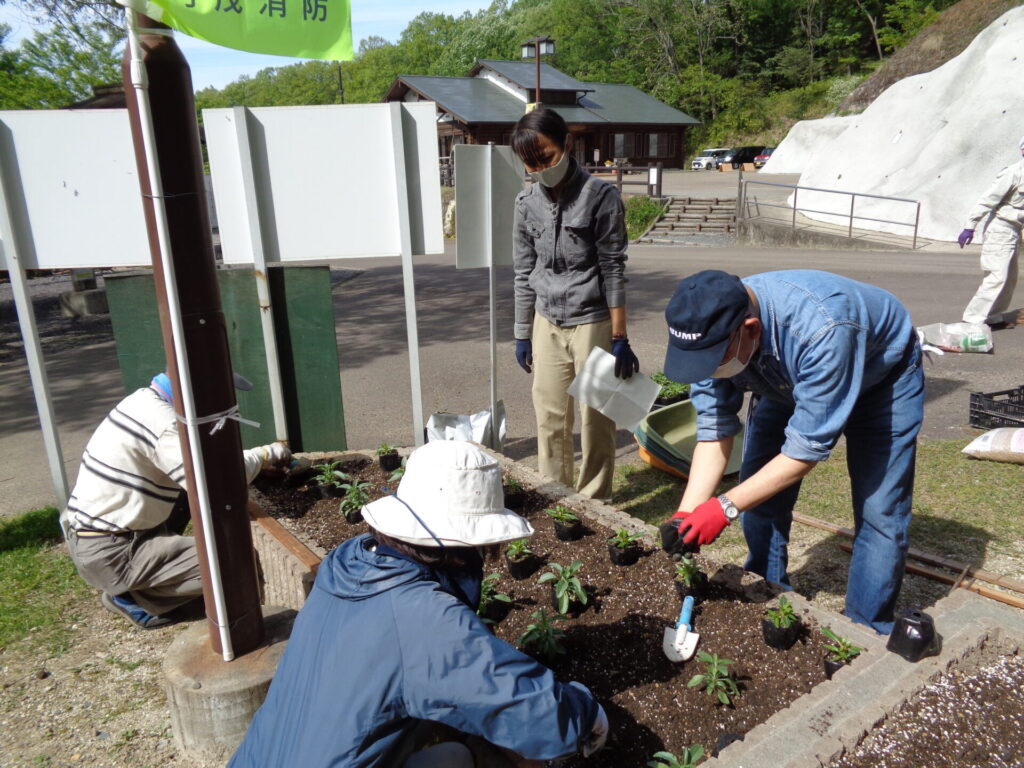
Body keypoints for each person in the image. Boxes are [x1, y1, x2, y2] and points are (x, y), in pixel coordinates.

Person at [228, 440, 607, 768]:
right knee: (457, 758)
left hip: (261, 756)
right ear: (466, 546)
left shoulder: (346, 568)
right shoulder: (424, 620)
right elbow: (546, 722)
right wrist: (589, 715)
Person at [659, 270, 924, 634]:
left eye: (714, 360)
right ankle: (769, 590)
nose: (708, 370)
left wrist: (723, 507)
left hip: (881, 378)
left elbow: (804, 451)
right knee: (760, 496)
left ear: (750, 329)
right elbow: (714, 428)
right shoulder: (712, 332)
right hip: (786, 378)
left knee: (880, 511)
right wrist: (687, 513)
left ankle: (864, 629)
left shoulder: (822, 327)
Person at [62, 373, 290, 629]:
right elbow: (215, 482)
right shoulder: (164, 425)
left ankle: (141, 585)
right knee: (236, 561)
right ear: (194, 395)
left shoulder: (143, 402)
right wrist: (265, 455)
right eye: (217, 399)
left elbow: (202, 463)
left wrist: (254, 466)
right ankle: (137, 599)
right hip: (115, 552)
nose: (221, 408)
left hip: (97, 538)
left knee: (185, 487)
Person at [511, 108, 639, 500]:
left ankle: (596, 499)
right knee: (549, 414)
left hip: (593, 320)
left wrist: (620, 337)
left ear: (566, 144)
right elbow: (522, 272)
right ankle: (555, 496)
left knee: (597, 415)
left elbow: (613, 269)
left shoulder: (601, 197)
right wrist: (521, 333)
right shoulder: (525, 203)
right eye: (531, 163)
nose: (539, 168)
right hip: (546, 319)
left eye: (546, 157)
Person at [958, 135, 1024, 325]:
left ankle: (993, 316)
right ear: (1022, 150)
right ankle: (972, 321)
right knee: (996, 276)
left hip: (1014, 230)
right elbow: (987, 199)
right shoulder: (1013, 173)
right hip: (1000, 228)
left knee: (1009, 278)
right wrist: (970, 226)